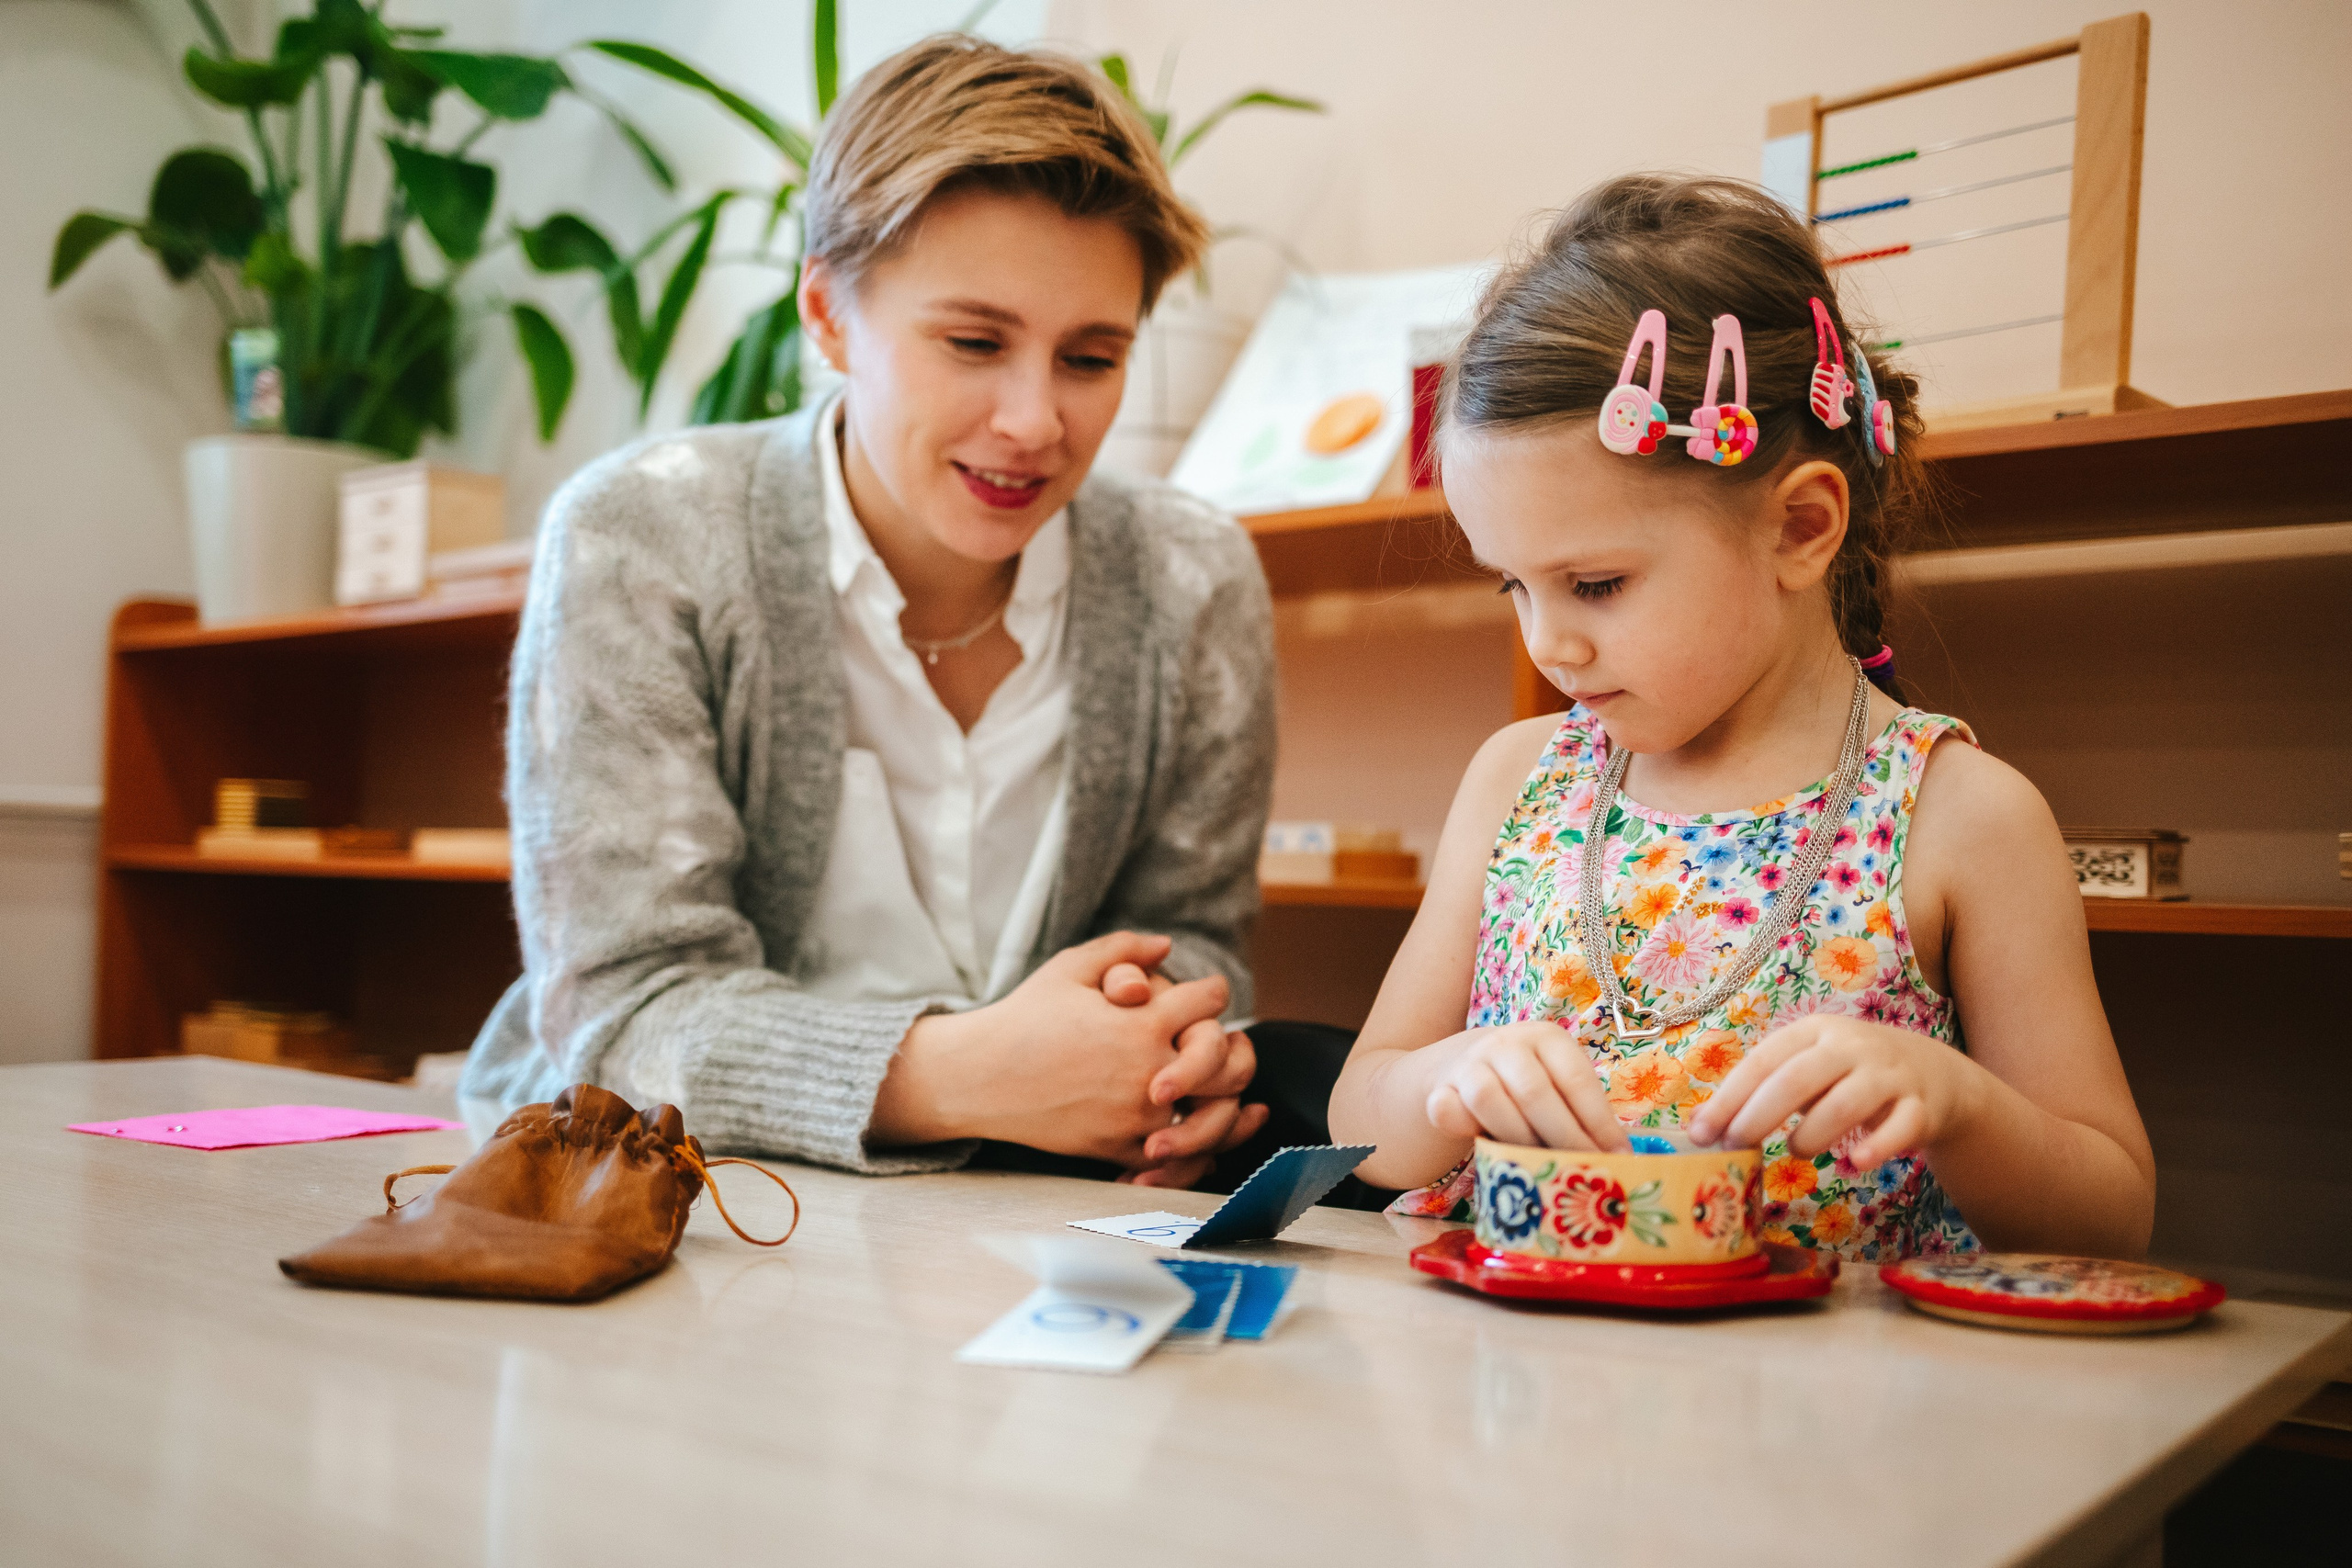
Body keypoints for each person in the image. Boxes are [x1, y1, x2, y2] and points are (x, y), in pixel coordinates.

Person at [463, 36, 1342, 1190]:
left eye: (1090, 357)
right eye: (973, 343)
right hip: (675, 1198)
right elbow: (624, 1013)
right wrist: (968, 1074)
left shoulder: (1192, 579)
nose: (1034, 420)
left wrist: (1168, 1066)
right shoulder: (643, 537)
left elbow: (1190, 937)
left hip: (1029, 1214)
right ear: (827, 314)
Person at [1329, 175, 2155, 1259]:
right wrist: (1441, 1083)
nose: (1547, 644)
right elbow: (1358, 1119)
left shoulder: (1963, 819)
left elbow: (2114, 1217)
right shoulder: (1515, 778)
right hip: (1505, 1392)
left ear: (1801, 528)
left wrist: (1959, 1105)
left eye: (1597, 584)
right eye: (1512, 587)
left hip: (1818, 1411)